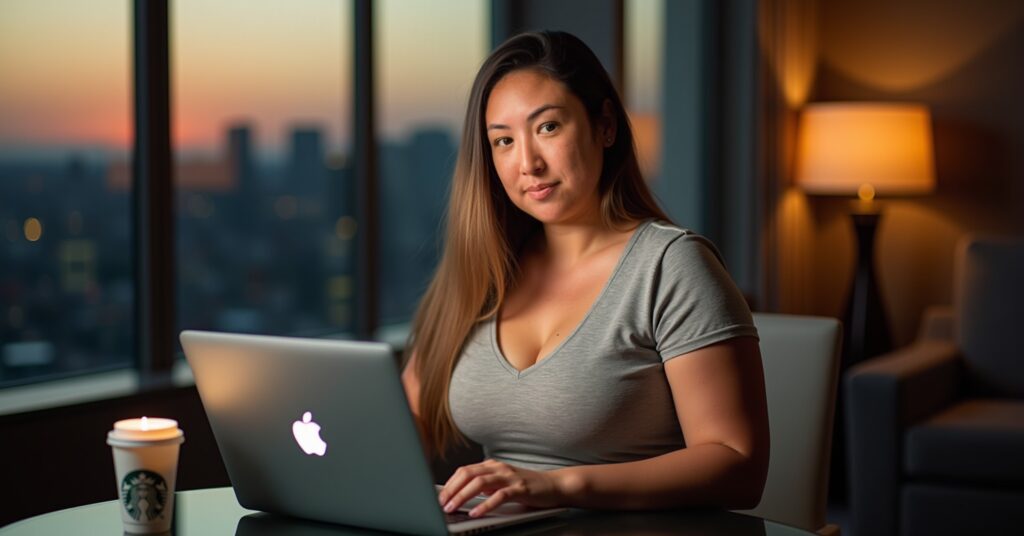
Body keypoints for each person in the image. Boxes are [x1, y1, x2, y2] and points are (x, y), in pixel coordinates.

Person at [401, 30, 769, 519]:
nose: (528, 163)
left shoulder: (671, 266)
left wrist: (558, 485)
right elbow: (402, 425)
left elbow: (738, 464)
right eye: (504, 141)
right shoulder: (482, 275)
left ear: (606, 126)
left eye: (548, 128)